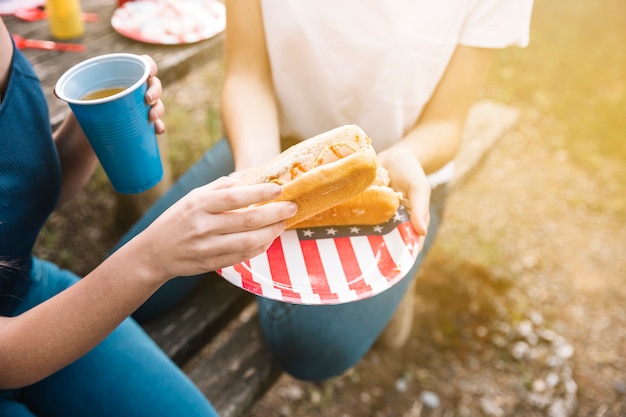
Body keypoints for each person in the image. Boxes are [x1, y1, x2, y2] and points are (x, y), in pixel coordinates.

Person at [218, 0, 534, 380]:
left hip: (398, 179)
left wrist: (399, 159)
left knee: (308, 344)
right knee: (151, 297)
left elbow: (446, 122)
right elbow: (247, 73)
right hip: (268, 145)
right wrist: (258, 176)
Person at [0, 17, 297, 416]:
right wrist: (152, 257)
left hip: (26, 293)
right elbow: (9, 358)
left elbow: (18, 194)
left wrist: (95, 121)